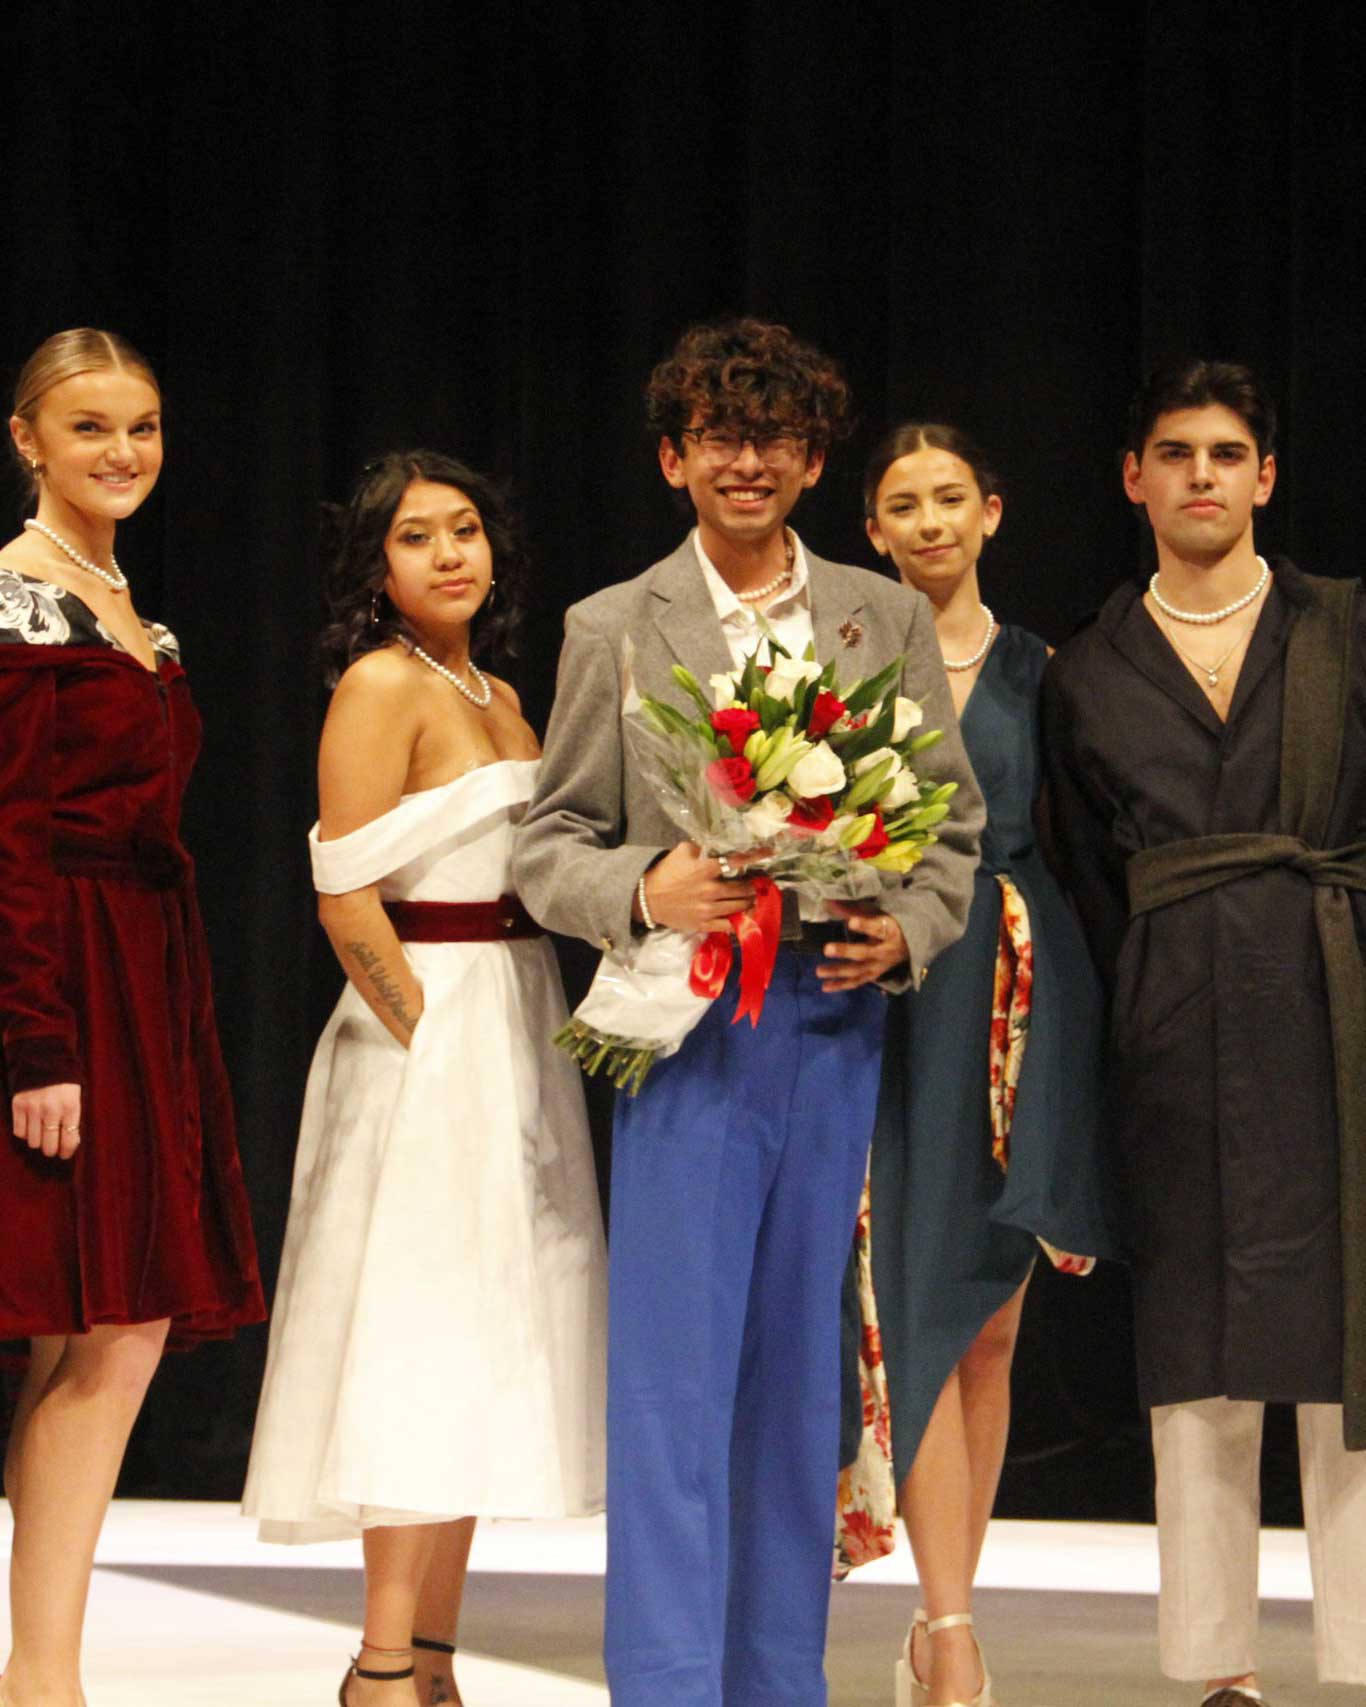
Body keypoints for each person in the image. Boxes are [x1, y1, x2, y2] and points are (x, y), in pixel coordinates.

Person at [512, 318, 984, 1707]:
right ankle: (664, 1681)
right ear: (673, 459)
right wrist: (646, 883)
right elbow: (547, 846)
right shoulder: (614, 623)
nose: (746, 459)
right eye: (718, 435)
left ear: (812, 459)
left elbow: (950, 825)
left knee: (796, 1380)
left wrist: (905, 926)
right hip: (685, 1026)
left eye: (772, 437)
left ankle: (778, 1678)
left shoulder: (877, 613)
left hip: (831, 1018)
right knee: (672, 1384)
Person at [241, 449, 607, 1706]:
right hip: (425, 1032)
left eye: (465, 530)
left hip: (515, 1011)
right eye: (416, 537)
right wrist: (427, 1043)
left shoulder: (503, 692)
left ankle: (436, 1657)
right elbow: (346, 899)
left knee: (480, 1341)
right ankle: (381, 1664)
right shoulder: (380, 683)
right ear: (376, 566)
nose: (450, 554)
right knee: (409, 1339)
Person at [1044, 360, 1366, 1704]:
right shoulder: (1088, 667)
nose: (1197, 476)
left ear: (1264, 477)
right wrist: (1138, 1011)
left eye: (1224, 453)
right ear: (1132, 478)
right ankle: (1215, 1664)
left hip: (1336, 1003)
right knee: (1195, 1349)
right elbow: (1074, 875)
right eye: (1171, 453)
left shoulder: (1342, 626)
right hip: (1173, 1021)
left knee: (1353, 1354)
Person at [0, 328, 264, 1707]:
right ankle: (44, 1673)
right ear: (27, 440)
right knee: (110, 1323)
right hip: (67, 976)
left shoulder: (120, 603)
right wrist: (39, 1044)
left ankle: (42, 1662)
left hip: (142, 973)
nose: (122, 452)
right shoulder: (21, 604)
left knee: (94, 1322)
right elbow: (11, 839)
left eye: (143, 427)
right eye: (90, 427)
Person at [838, 423, 1117, 1707]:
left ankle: (949, 1608)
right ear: (872, 529)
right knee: (913, 1312)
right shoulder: (834, 671)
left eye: (953, 496)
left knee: (992, 1332)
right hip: (885, 1003)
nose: (931, 520)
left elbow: (1074, 852)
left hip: (1012, 995)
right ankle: (947, 1635)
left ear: (992, 511)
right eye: (906, 502)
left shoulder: (1038, 670)